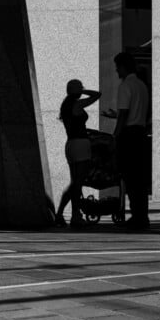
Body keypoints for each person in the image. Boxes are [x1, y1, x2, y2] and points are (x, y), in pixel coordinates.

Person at [102, 52, 150, 230]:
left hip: (129, 135)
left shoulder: (125, 86)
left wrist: (115, 136)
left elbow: (124, 114)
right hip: (141, 133)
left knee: (129, 176)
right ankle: (142, 216)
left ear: (123, 66)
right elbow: (136, 113)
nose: (116, 70)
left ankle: (136, 217)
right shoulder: (142, 86)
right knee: (141, 178)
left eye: (117, 66)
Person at [55, 79, 101, 228]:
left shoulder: (66, 105)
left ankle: (60, 214)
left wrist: (78, 91)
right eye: (80, 88)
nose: (82, 90)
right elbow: (97, 95)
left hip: (70, 145)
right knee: (78, 182)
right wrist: (82, 92)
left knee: (74, 182)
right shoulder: (77, 104)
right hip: (81, 144)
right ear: (75, 90)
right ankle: (75, 216)